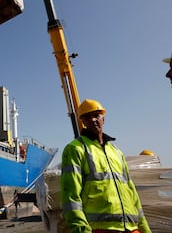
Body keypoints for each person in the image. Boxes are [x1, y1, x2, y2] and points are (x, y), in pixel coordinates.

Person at [60, 99, 151, 233]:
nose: (93, 120)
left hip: (132, 228)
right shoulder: (75, 149)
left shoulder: (116, 152)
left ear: (103, 119)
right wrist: (81, 229)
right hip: (100, 229)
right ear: (82, 122)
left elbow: (132, 192)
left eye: (96, 115)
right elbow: (70, 196)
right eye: (87, 117)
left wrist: (145, 228)